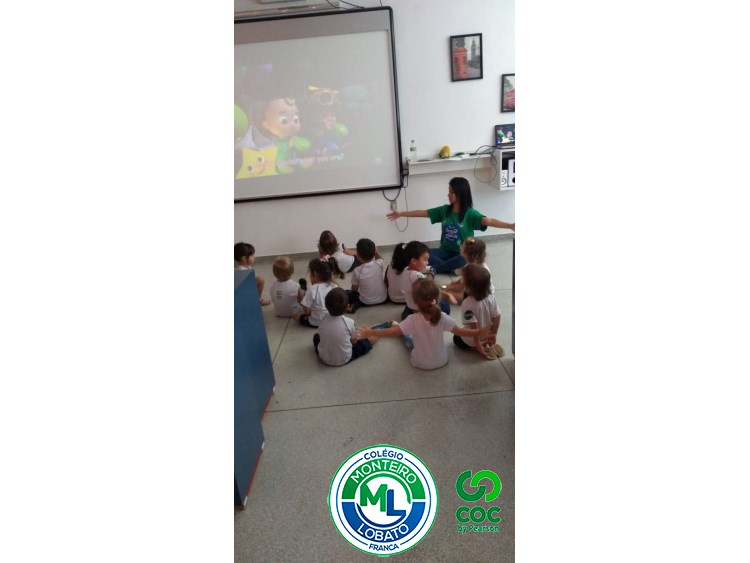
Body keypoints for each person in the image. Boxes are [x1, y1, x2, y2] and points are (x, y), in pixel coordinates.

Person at [386, 176, 515, 274]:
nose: (448, 194)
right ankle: (451, 268)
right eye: (449, 191)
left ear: (460, 194)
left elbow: (489, 221)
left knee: (463, 260)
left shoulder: (470, 214)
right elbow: (424, 212)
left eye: (451, 192)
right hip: (445, 251)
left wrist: (510, 225)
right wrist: (401, 213)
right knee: (425, 254)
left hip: (462, 253)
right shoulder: (445, 210)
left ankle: (436, 269)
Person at [357, 279, 489, 370]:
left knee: (408, 339)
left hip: (420, 363)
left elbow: (394, 332)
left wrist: (371, 332)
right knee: (407, 333)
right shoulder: (443, 317)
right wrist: (479, 331)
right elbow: (460, 331)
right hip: (442, 360)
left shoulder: (412, 320)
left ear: (415, 302)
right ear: (437, 299)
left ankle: (402, 329)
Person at [313, 288, 378, 366]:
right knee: (371, 338)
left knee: (316, 336)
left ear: (326, 306)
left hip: (323, 357)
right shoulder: (349, 322)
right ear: (347, 306)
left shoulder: (323, 319)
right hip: (344, 359)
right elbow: (354, 342)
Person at [453, 264, 503, 359]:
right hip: (487, 335)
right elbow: (497, 316)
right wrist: (494, 333)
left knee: (456, 338)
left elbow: (473, 326)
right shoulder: (490, 298)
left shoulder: (467, 303)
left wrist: (477, 344)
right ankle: (487, 344)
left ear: (467, 285)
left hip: (474, 338)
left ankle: (476, 347)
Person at [399, 241, 451, 321]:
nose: (428, 262)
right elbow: (431, 291)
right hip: (421, 308)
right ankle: (422, 315)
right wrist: (447, 295)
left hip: (411, 305)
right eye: (425, 260)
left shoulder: (405, 270)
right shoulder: (417, 276)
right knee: (445, 305)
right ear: (414, 261)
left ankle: (412, 314)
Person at [441, 237, 494, 305]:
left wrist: (447, 289)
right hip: (474, 290)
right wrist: (452, 284)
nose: (460, 247)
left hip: (479, 297)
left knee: (448, 293)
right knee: (448, 285)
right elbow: (461, 281)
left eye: (462, 246)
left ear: (468, 253)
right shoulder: (471, 263)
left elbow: (460, 287)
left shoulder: (472, 269)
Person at [292, 257, 343, 327]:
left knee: (295, 315)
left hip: (317, 322)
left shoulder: (312, 289)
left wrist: (310, 311)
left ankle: (304, 290)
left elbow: (306, 310)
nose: (309, 276)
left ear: (315, 274)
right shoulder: (334, 286)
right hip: (332, 320)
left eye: (310, 273)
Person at [347, 238, 387, 312]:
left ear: (358, 256)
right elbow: (380, 258)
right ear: (374, 252)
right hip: (383, 299)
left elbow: (354, 289)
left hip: (366, 301)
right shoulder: (379, 263)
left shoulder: (357, 270)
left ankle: (356, 304)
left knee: (348, 294)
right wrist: (376, 251)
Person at [234, 242, 270, 306]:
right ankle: (256, 300)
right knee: (260, 279)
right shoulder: (240, 271)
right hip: (242, 295)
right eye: (252, 255)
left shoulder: (246, 267)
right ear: (244, 258)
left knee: (259, 279)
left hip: (245, 291)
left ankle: (256, 299)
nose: (254, 257)